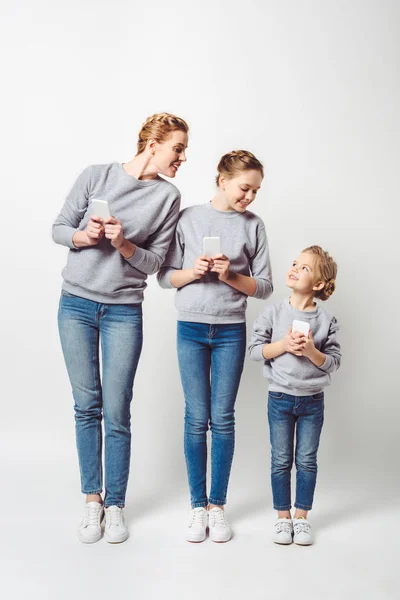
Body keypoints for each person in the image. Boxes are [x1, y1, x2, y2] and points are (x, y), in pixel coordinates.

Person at [53, 113, 189, 544]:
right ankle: (92, 502)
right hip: (75, 303)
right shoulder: (96, 176)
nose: (183, 157)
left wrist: (124, 243)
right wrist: (85, 237)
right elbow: (58, 229)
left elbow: (155, 264)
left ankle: (116, 506)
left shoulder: (168, 197)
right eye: (178, 148)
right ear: (154, 144)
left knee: (117, 408)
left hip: (123, 311)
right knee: (85, 405)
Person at [158, 150, 273, 542]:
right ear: (222, 180)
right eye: (245, 188)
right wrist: (196, 271)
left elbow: (265, 287)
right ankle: (196, 507)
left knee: (222, 418)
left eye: (256, 190)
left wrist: (231, 276)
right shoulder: (187, 218)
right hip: (190, 328)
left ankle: (217, 508)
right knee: (196, 417)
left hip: (230, 332)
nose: (250, 197)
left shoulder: (254, 225)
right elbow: (165, 277)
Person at [248, 245, 341, 545]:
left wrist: (312, 352)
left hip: (313, 401)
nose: (294, 269)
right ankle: (282, 517)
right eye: (294, 263)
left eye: (304, 268)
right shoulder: (274, 312)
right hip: (279, 399)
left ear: (317, 284)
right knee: (280, 459)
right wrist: (284, 346)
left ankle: (301, 517)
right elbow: (255, 351)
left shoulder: (326, 320)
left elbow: (334, 361)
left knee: (307, 460)